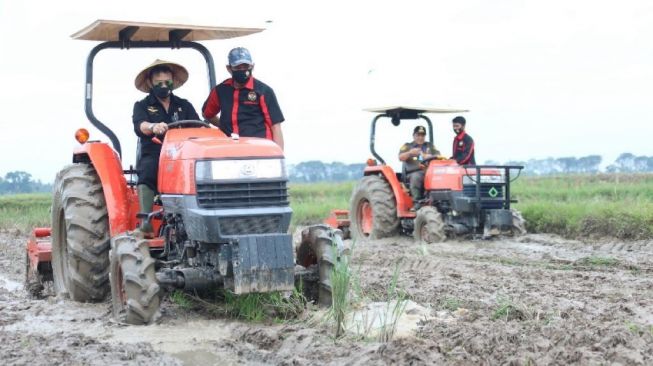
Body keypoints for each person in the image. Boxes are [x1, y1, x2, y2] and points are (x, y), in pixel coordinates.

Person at [132, 59, 200, 233]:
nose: (164, 86)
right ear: (150, 83)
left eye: (167, 82)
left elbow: (199, 127)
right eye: (159, 83)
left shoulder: (184, 105)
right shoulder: (142, 106)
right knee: (148, 168)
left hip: (183, 154)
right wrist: (153, 127)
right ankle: (145, 222)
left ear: (172, 82)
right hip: (156, 151)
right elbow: (140, 125)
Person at [202, 47, 285, 149]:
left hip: (260, 149)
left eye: (246, 67)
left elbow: (275, 126)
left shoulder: (263, 91)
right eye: (238, 67)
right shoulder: (220, 90)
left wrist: (279, 157)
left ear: (252, 66)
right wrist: (223, 126)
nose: (242, 70)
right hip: (231, 148)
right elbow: (207, 114)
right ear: (229, 68)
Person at [398, 125, 440, 207]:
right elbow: (400, 157)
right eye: (418, 135)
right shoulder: (408, 146)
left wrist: (429, 156)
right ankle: (416, 202)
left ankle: (438, 201)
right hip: (413, 172)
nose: (420, 137)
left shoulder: (429, 145)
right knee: (416, 177)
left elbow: (438, 155)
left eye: (422, 135)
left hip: (429, 171)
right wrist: (410, 153)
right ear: (413, 135)